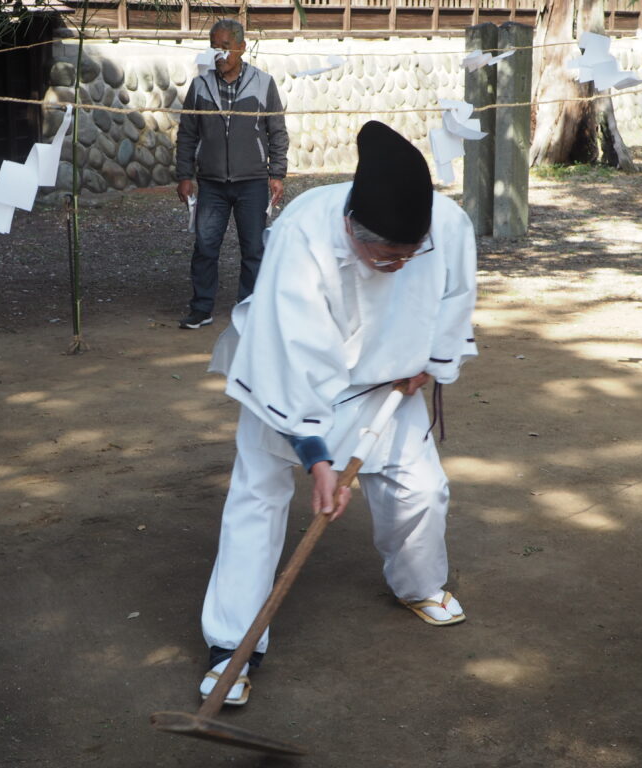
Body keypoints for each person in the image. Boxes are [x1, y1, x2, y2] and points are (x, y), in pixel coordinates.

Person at [198, 121, 478, 706]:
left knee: (422, 491)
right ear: (352, 225)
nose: (398, 263)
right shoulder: (303, 233)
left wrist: (430, 361)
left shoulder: (448, 227)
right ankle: (232, 646)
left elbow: (454, 297)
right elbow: (289, 351)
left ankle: (418, 585)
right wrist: (315, 456)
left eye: (410, 253)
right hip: (286, 384)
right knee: (258, 500)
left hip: (386, 384)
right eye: (384, 253)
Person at [174, 18, 289, 330]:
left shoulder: (263, 83)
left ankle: (249, 308)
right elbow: (187, 133)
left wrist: (276, 173)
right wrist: (185, 174)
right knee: (205, 247)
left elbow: (277, 131)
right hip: (211, 184)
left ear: (241, 47)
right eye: (214, 46)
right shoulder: (200, 86)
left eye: (226, 46)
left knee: (253, 248)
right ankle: (201, 309)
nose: (219, 53)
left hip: (251, 182)